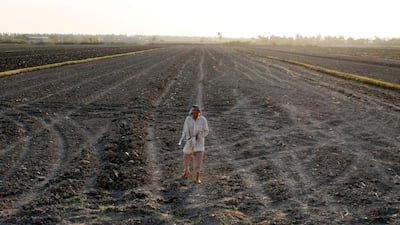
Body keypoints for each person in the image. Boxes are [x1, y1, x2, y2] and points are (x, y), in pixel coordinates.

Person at [179, 105, 209, 183]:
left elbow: (206, 131)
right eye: (195, 111)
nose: (197, 112)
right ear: (192, 111)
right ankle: (186, 172)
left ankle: (197, 177)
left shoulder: (203, 120)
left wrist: (199, 136)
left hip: (199, 142)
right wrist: (189, 138)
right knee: (186, 156)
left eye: (198, 111)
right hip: (189, 142)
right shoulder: (188, 119)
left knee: (198, 161)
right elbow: (185, 130)